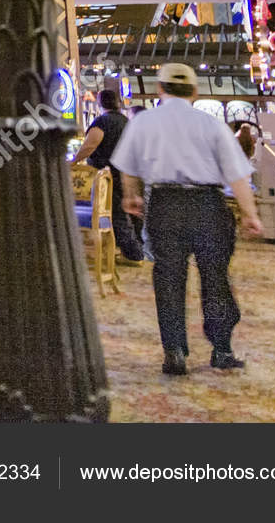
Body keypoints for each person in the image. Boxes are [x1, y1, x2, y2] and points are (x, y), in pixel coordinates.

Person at [111, 63, 262, 376]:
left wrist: (131, 195)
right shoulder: (212, 124)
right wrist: (250, 214)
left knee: (168, 278)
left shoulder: (143, 123)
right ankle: (221, 349)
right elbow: (236, 176)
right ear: (194, 91)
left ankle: (175, 352)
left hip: (165, 205)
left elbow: (127, 166)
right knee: (216, 277)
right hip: (207, 204)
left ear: (160, 89)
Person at [73, 89, 143, 262]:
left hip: (107, 175)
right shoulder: (126, 121)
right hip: (126, 172)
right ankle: (134, 250)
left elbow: (91, 144)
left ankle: (133, 255)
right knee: (127, 215)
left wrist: (74, 161)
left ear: (100, 103)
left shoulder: (103, 121)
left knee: (116, 215)